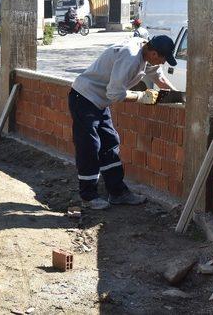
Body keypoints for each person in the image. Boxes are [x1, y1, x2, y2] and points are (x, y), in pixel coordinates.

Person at [69, 35, 179, 210]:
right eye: (162, 58)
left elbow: (158, 75)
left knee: (110, 143)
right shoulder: (130, 57)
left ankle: (118, 193)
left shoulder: (146, 52)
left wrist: (177, 97)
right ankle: (88, 196)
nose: (164, 62)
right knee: (90, 146)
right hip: (84, 98)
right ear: (153, 52)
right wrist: (141, 96)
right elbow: (114, 94)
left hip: (99, 102)